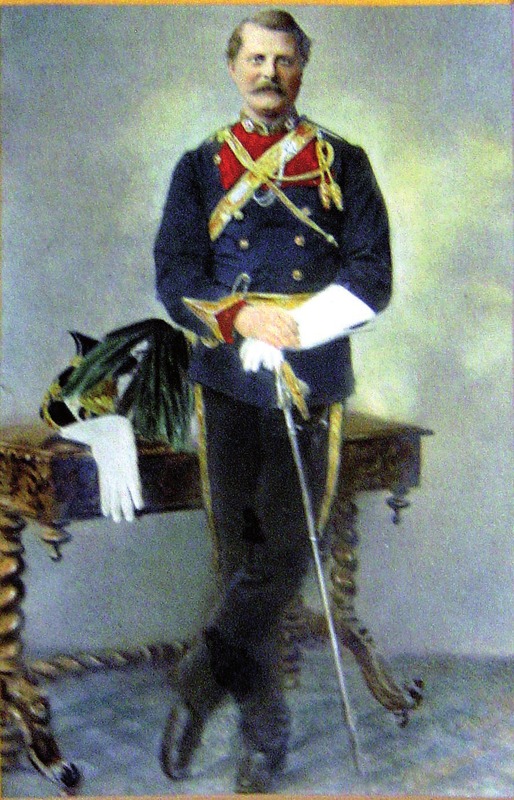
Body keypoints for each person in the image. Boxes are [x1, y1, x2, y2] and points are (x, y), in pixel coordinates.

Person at [153, 7, 392, 794]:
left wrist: (297, 327)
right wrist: (240, 318)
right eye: (255, 59)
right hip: (227, 380)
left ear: (301, 70)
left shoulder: (343, 162)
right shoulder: (199, 167)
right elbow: (176, 273)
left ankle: (199, 679)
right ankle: (264, 738)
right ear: (234, 68)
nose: (269, 73)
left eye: (284, 60)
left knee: (287, 551)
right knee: (237, 559)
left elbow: (372, 274)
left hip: (310, 377)